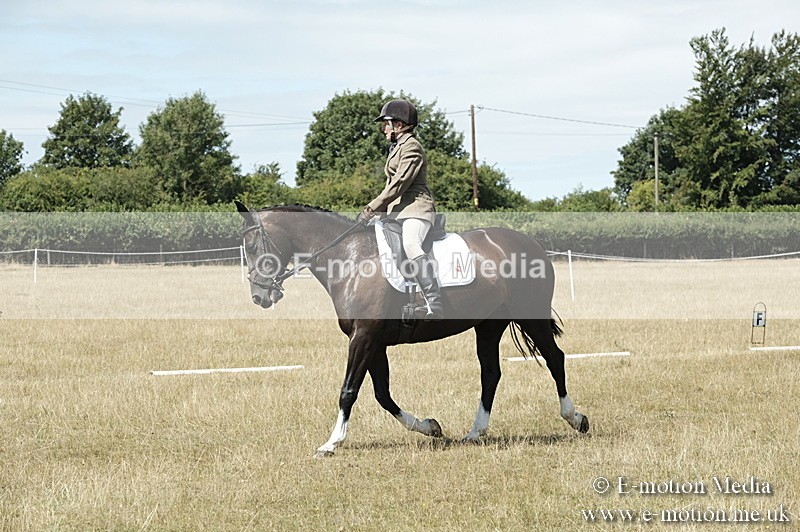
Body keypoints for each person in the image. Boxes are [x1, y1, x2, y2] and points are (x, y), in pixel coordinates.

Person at [359, 99, 443, 321]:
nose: (383, 129)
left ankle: (434, 302)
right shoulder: (397, 148)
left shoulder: (412, 147)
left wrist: (372, 206)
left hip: (417, 208)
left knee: (410, 243)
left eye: (385, 124)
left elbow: (399, 183)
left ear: (398, 124)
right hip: (398, 212)